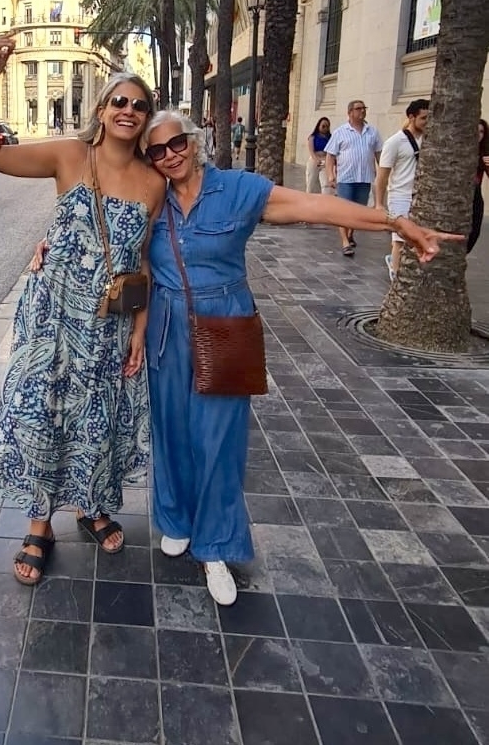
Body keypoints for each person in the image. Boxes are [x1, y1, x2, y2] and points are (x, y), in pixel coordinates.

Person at [143, 109, 462, 606]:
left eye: (176, 142)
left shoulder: (239, 190)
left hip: (224, 323)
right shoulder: (150, 195)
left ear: (194, 139)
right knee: (171, 429)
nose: (169, 155)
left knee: (218, 440)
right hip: (165, 326)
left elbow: (317, 206)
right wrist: (46, 243)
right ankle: (177, 518)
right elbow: (101, 227)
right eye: (156, 150)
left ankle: (216, 545)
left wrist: (396, 222)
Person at [0, 36, 164, 585]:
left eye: (139, 105)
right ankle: (40, 525)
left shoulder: (154, 184)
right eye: (120, 102)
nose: (129, 111)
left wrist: (140, 327)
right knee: (43, 410)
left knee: (96, 415)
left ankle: (92, 506)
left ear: (146, 119)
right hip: (52, 315)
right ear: (102, 110)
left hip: (108, 323)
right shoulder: (68, 156)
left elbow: (144, 261)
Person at [376, 98, 429, 281]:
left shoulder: (429, 141)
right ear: (412, 117)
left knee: (414, 237)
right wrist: (378, 204)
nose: (427, 122)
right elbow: (382, 176)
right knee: (400, 239)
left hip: (420, 196)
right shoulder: (394, 142)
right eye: (423, 118)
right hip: (399, 196)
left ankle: (399, 265)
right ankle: (396, 276)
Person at [324, 100, 383, 257]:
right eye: (358, 109)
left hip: (364, 177)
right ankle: (345, 242)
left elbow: (379, 155)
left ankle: (350, 234)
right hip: (346, 178)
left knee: (358, 210)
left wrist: (383, 175)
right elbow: (330, 156)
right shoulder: (340, 132)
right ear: (350, 112)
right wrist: (330, 175)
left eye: (364, 108)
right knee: (344, 211)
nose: (362, 111)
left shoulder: (373, 132)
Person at [467, 118, 489, 255]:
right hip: (458, 197)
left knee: (474, 233)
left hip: (475, 196)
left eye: (481, 132)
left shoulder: (484, 153)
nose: (478, 135)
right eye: (475, 131)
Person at [305, 117, 332, 194]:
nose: (325, 128)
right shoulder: (313, 137)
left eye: (327, 126)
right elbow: (311, 150)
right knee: (311, 183)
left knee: (326, 184)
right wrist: (316, 160)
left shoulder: (330, 138)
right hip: (314, 160)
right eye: (323, 126)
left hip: (325, 160)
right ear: (318, 126)